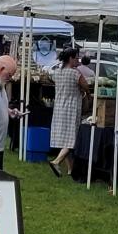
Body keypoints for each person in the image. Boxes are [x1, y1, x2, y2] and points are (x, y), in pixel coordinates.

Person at [49, 48, 88, 178]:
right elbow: (86, 86)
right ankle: (56, 161)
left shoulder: (57, 73)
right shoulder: (75, 73)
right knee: (72, 138)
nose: (78, 60)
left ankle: (71, 169)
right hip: (71, 107)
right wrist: (85, 93)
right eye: (77, 58)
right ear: (71, 59)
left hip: (59, 107)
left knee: (65, 138)